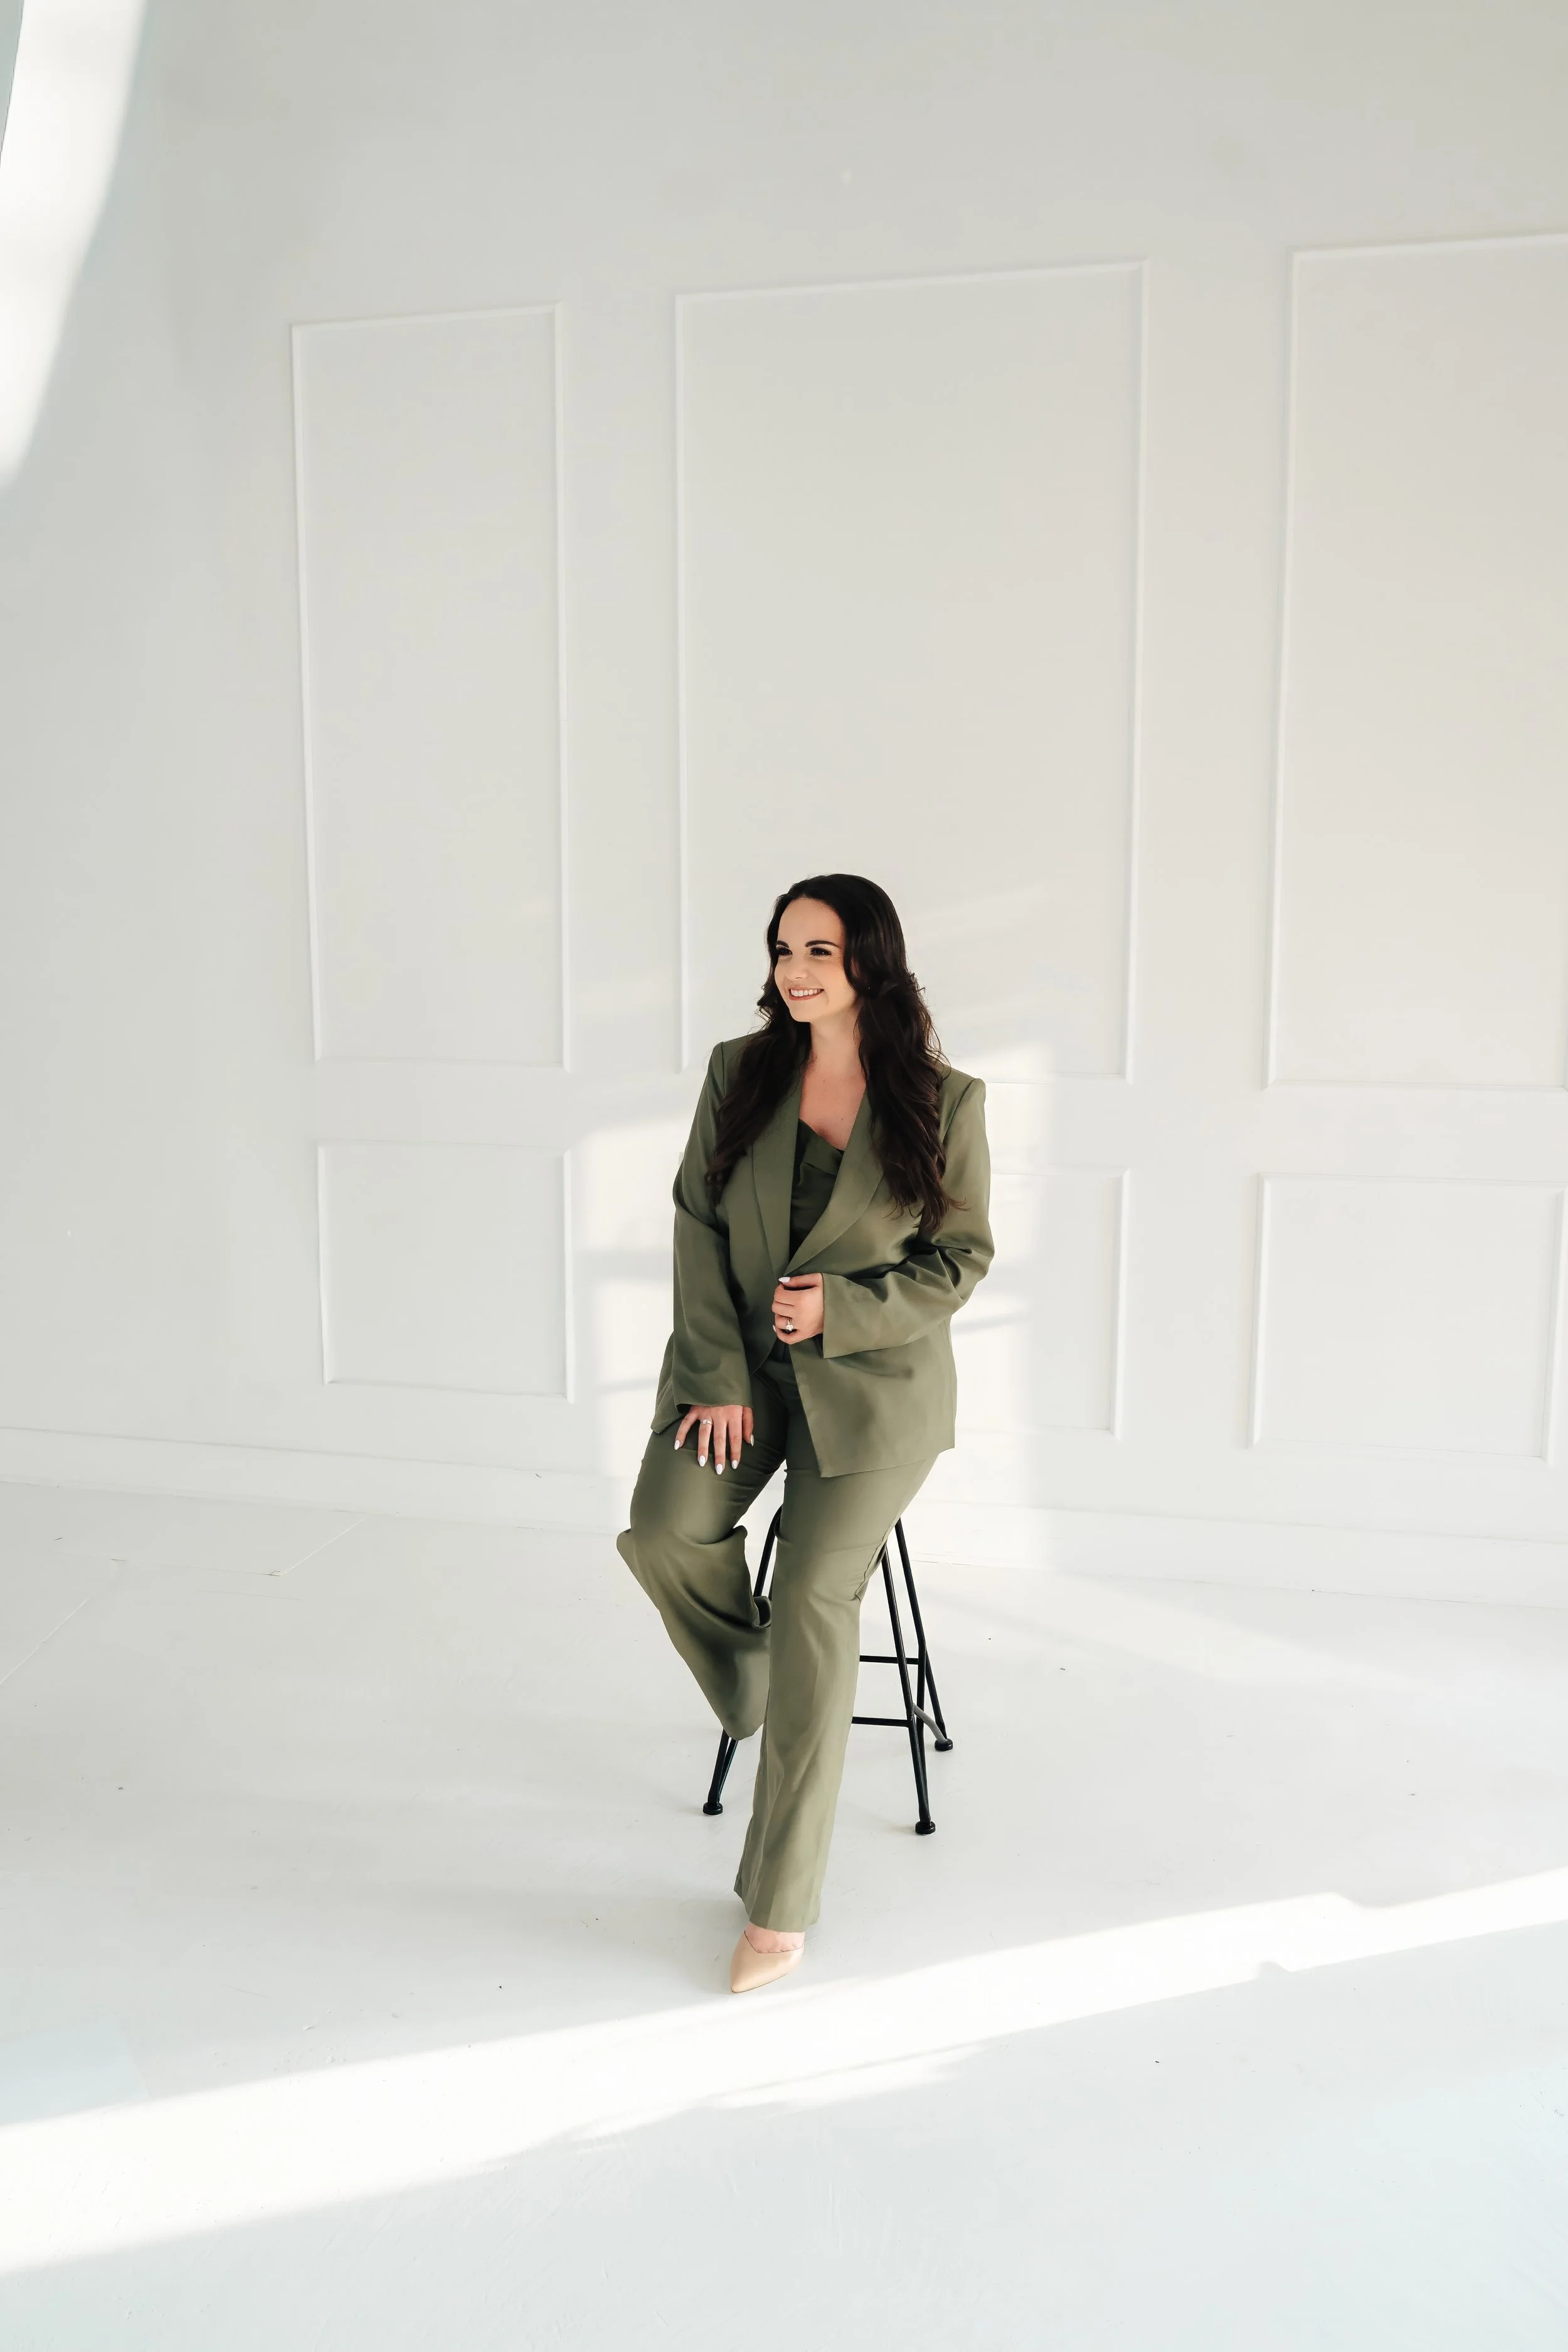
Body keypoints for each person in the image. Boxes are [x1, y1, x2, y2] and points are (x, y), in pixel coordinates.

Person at [617, 873, 993, 1993]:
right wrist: (719, 1374)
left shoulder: (946, 1098)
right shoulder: (743, 1071)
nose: (795, 969)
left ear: (868, 961)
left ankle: (778, 1908)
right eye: (785, 948)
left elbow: (960, 1259)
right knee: (663, 1528)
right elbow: (694, 1224)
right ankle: (754, 1686)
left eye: (819, 950)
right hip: (740, 1375)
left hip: (874, 1394)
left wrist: (845, 1310)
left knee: (821, 1600)